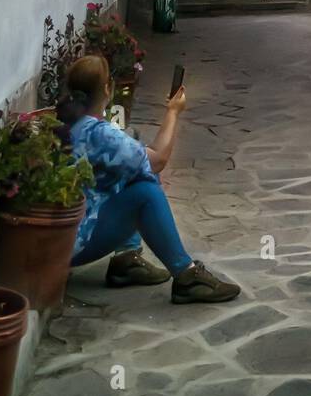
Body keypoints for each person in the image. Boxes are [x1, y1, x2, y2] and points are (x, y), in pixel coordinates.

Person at [61, 55, 240, 303]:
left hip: (65, 233)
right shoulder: (98, 133)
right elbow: (158, 159)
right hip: (76, 241)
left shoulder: (68, 121)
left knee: (137, 168)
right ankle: (186, 276)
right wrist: (173, 112)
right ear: (106, 89)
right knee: (146, 191)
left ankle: (127, 259)